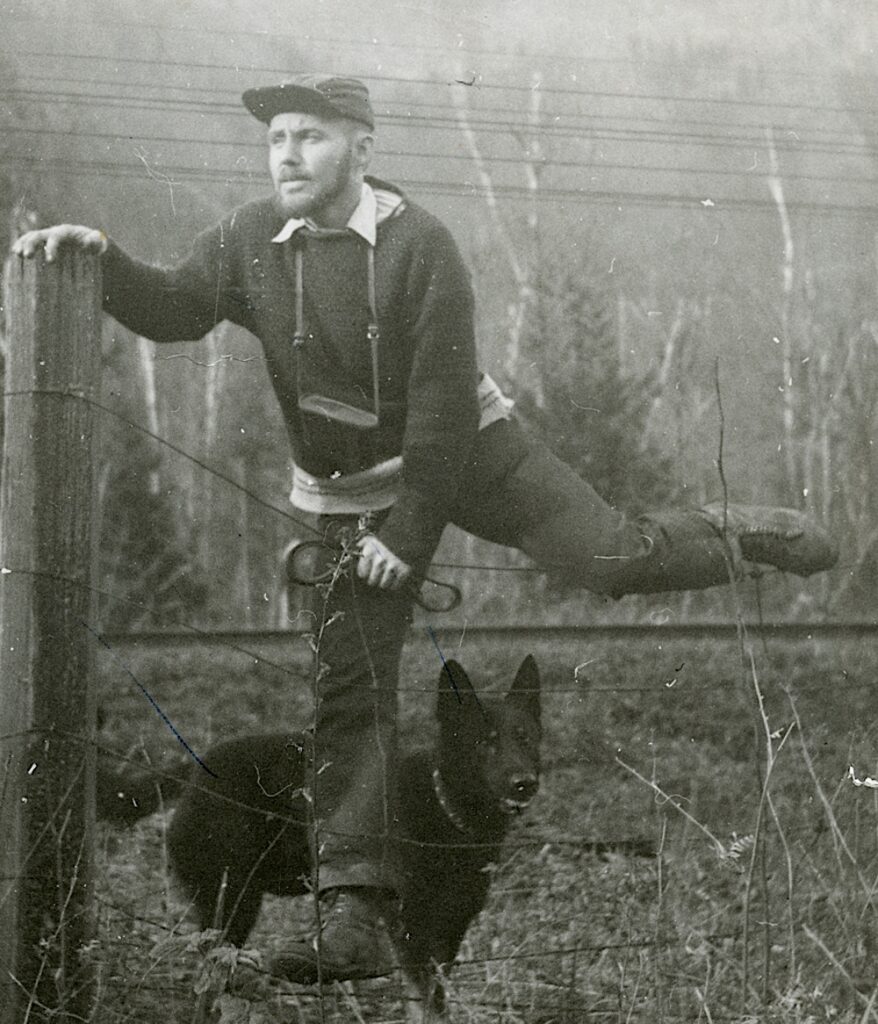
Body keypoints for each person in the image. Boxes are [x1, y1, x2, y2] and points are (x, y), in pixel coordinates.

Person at [12, 73, 837, 984]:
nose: (288, 153)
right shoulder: (248, 238)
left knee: (603, 556)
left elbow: (443, 412)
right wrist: (101, 258)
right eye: (277, 137)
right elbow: (172, 308)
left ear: (362, 149)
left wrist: (406, 539)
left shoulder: (422, 248)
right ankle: (358, 912)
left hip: (471, 450)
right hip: (343, 492)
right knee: (351, 696)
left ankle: (736, 530)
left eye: (312, 136)